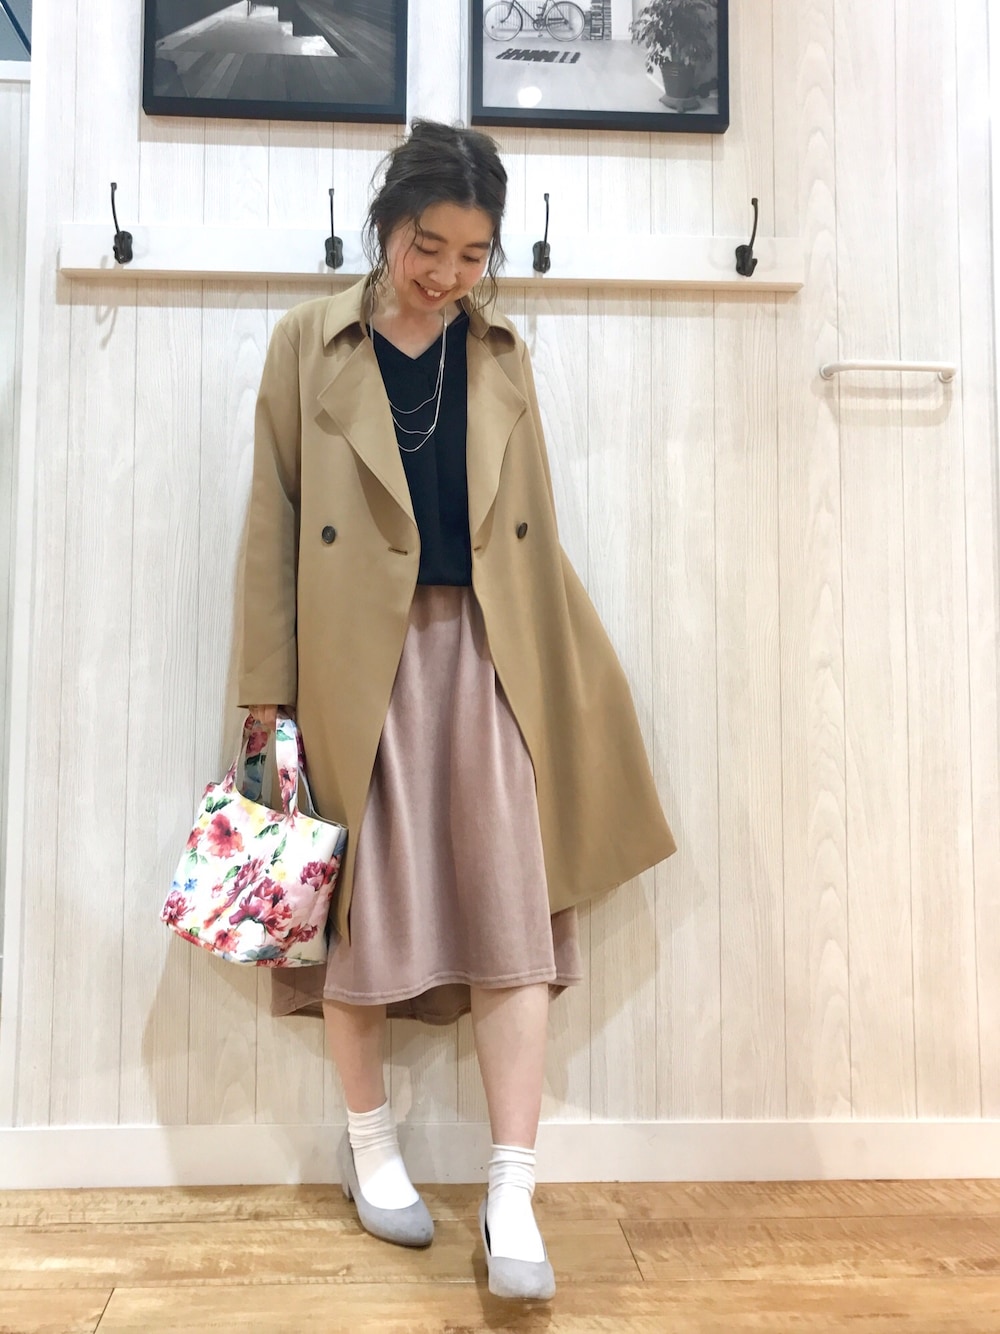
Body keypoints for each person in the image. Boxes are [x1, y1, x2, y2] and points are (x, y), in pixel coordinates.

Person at [238, 119, 675, 1301]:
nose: (445, 272)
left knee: (510, 908)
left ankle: (511, 1184)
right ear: (386, 226)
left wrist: (569, 675)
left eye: (472, 253)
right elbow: (273, 529)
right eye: (427, 245)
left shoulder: (500, 351)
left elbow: (529, 537)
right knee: (359, 914)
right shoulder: (307, 342)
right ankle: (368, 1142)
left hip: (487, 655)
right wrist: (263, 702)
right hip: (354, 665)